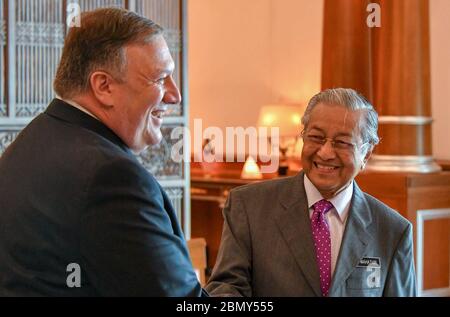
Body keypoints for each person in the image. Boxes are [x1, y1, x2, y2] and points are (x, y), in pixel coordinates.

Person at [0, 8, 205, 296]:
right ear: (104, 86)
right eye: (160, 79)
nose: (175, 95)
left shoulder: (26, 146)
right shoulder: (111, 177)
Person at [205, 88, 417, 297]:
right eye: (316, 137)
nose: (325, 152)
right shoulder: (249, 207)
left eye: (342, 142)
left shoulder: (392, 231)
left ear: (366, 154)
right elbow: (226, 289)